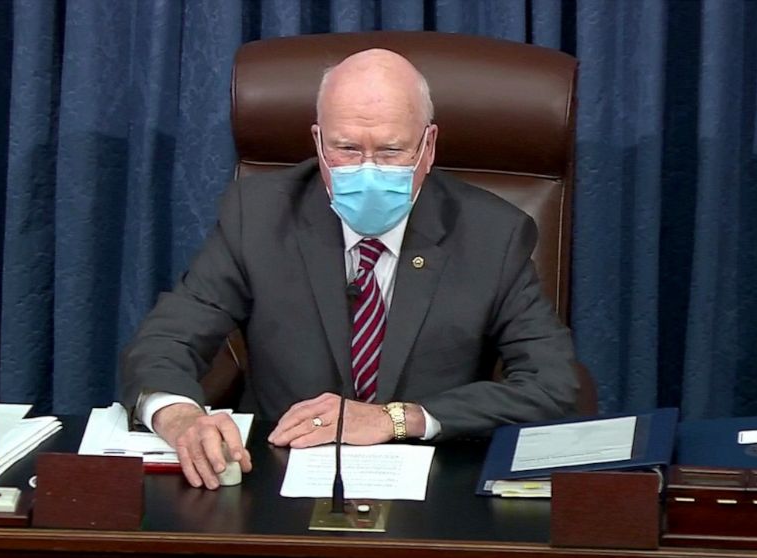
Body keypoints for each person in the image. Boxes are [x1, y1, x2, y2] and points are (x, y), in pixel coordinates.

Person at [120, 48, 579, 489]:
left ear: (429, 146)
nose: (368, 170)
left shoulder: (491, 235)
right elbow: (169, 337)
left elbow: (552, 384)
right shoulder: (257, 216)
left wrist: (398, 418)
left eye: (391, 151)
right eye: (347, 149)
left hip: (433, 479)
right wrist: (181, 417)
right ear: (318, 141)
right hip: (277, 471)